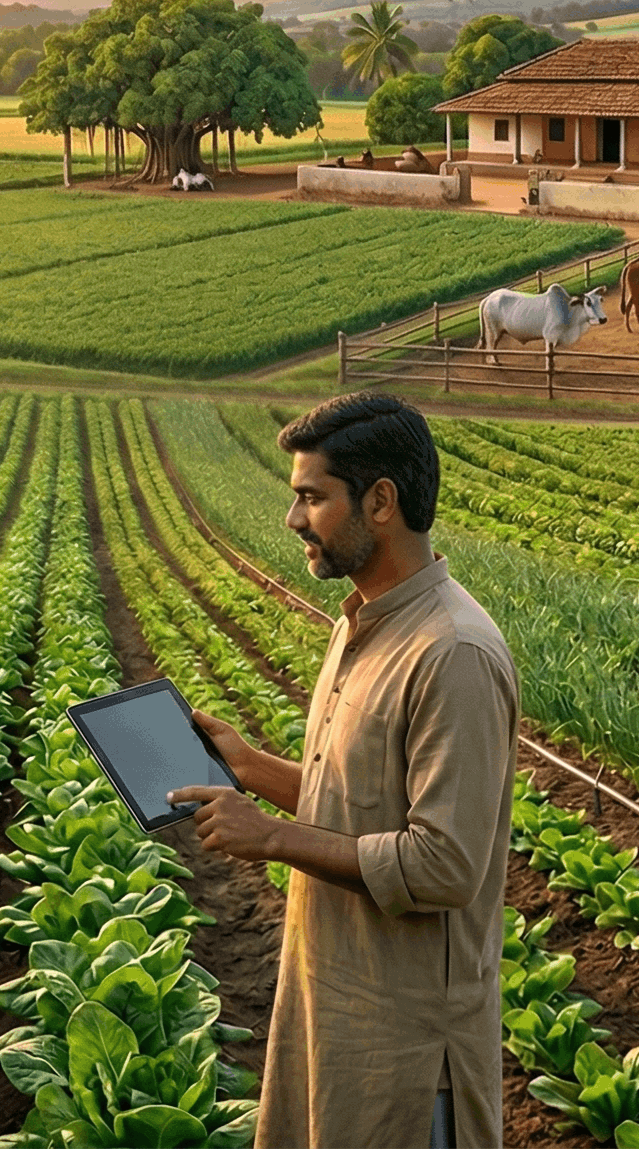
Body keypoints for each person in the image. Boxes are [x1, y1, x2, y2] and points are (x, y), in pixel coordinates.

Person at [169, 391, 517, 1148]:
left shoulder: (451, 653)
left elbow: (444, 864)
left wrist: (271, 838)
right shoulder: (362, 623)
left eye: (312, 498)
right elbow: (366, 805)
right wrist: (253, 768)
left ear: (381, 501)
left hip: (406, 1053)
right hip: (335, 1010)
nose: (294, 520)